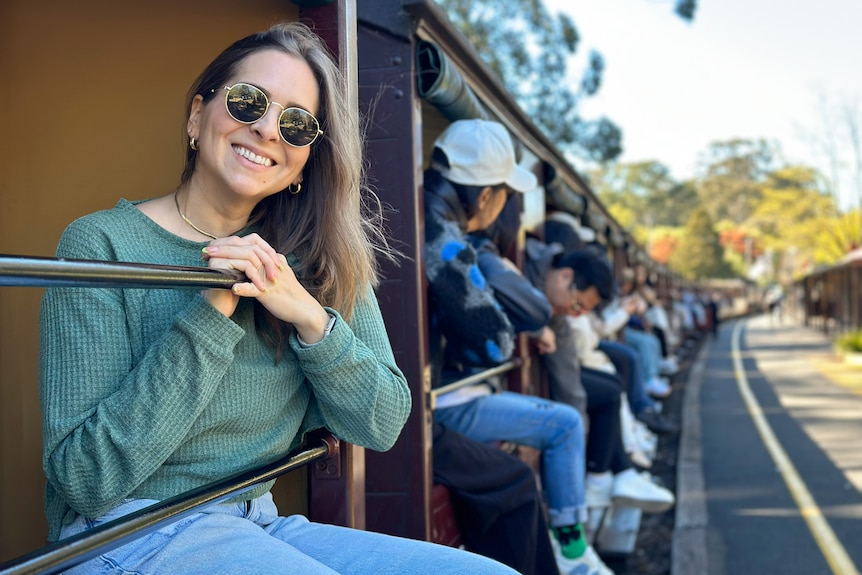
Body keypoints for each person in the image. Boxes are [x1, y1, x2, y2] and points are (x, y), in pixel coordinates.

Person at [39, 22, 519, 575]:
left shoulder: (315, 259)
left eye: (297, 123)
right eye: (248, 102)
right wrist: (215, 309)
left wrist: (311, 318)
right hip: (127, 528)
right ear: (198, 116)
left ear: (306, 157)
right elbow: (84, 478)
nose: (269, 129)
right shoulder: (100, 243)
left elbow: (383, 423)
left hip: (256, 520)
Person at [425, 118, 612, 575]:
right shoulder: (447, 242)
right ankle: (572, 555)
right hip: (433, 408)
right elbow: (495, 344)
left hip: (425, 403)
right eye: (506, 194)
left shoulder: (417, 219)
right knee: (520, 477)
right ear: (486, 196)